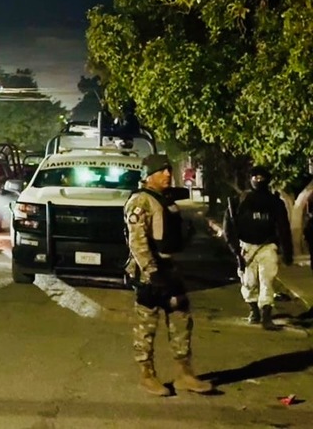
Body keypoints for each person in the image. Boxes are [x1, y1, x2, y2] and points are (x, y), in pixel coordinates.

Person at [124, 153, 212, 397]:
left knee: (181, 318)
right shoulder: (141, 201)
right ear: (148, 175)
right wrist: (152, 272)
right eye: (161, 170)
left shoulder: (165, 200)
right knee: (146, 323)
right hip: (149, 272)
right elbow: (137, 241)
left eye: (169, 170)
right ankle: (147, 375)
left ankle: (184, 374)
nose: (167, 174)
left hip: (169, 268)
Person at [224, 166, 293, 329]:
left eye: (262, 178)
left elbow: (283, 228)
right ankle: (254, 310)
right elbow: (229, 228)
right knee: (249, 282)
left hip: (267, 247)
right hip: (246, 247)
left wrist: (287, 252)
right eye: (255, 177)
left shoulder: (275, 202)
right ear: (250, 179)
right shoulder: (240, 200)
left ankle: (266, 316)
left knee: (267, 280)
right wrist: (236, 252)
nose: (258, 180)